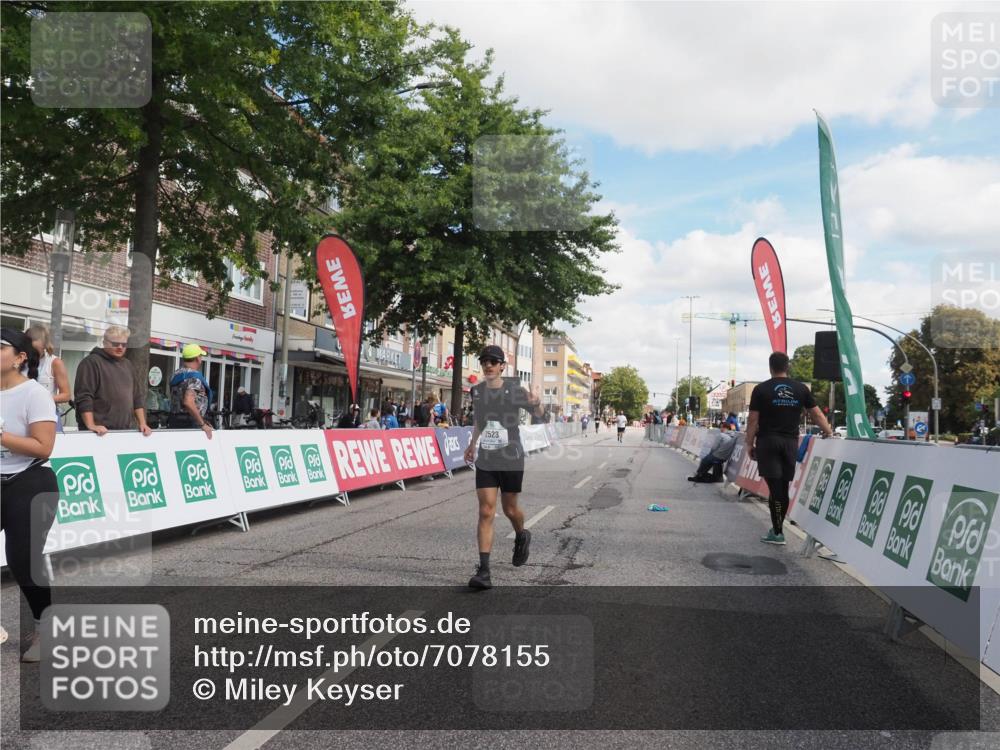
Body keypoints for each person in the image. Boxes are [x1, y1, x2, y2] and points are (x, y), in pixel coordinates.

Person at [463, 345, 543, 590]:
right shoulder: (477, 391)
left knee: (510, 509)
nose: (488, 365)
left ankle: (521, 534)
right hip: (486, 457)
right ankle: (484, 571)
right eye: (484, 361)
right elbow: (479, 421)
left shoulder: (514, 390)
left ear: (502, 366)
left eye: (493, 361)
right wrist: (472, 444)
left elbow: (539, 415)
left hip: (510, 457)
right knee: (486, 511)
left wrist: (537, 403)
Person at [1, 329, 59, 662]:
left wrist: (1, 436)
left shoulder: (34, 394)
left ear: (21, 358)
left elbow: (44, 446)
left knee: (23, 559)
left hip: (32, 479)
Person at [746, 351, 832, 545]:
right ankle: (777, 529)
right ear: (787, 367)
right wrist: (828, 431)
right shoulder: (800, 389)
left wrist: (749, 443)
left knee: (776, 488)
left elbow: (753, 420)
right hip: (790, 443)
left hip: (768, 442)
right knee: (782, 487)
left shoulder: (761, 389)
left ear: (770, 367)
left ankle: (777, 532)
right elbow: (816, 414)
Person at [73, 326, 152, 436]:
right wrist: (91, 425)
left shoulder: (128, 365)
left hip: (123, 431)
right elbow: (84, 397)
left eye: (124, 345)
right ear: (104, 343)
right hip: (97, 433)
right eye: (115, 344)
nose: (120, 347)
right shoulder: (91, 363)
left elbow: (137, 397)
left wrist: (143, 423)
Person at [24, 324, 71, 432]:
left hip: (47, 415)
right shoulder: (20, 361)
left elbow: (66, 395)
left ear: (45, 346)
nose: (32, 353)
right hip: (24, 415)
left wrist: (41, 399)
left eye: (36, 350)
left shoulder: (54, 362)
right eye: (30, 349)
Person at [166, 343, 214, 439]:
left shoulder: (176, 374)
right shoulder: (194, 377)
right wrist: (202, 424)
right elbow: (188, 402)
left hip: (174, 420)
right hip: (190, 422)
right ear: (197, 358)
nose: (201, 359)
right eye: (200, 356)